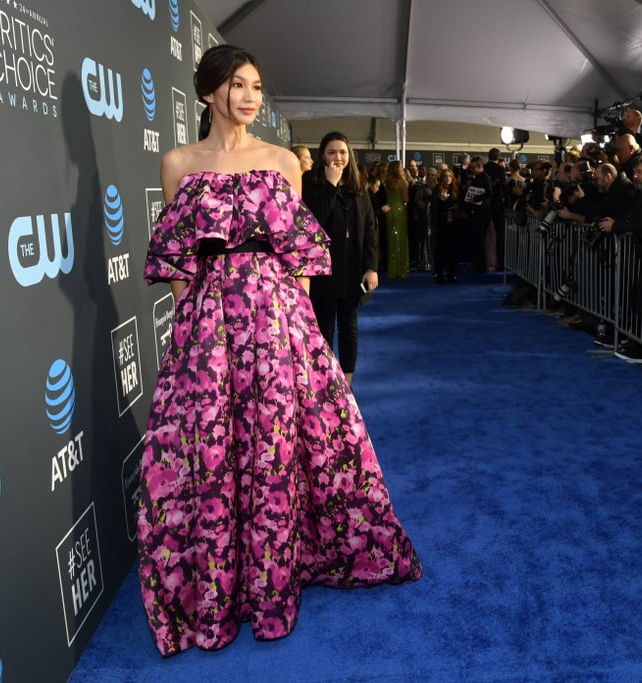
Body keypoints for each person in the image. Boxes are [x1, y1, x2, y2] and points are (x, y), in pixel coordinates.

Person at [138, 46, 420, 657]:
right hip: (209, 333)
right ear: (210, 91)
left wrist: (304, 338)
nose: (249, 96)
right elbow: (180, 269)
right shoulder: (178, 163)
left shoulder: (282, 164)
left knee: (273, 447)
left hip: (274, 326)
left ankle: (271, 583)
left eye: (257, 86)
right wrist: (198, 333)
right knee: (212, 449)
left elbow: (299, 263)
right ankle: (217, 586)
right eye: (237, 84)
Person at [303, 132, 381, 386]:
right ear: (322, 156)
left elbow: (370, 229)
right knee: (323, 328)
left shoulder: (358, 187)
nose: (338, 157)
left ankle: (347, 383)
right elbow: (313, 223)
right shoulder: (310, 183)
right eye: (332, 152)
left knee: (349, 327)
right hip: (322, 271)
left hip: (352, 269)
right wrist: (330, 185)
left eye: (343, 152)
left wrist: (371, 267)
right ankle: (324, 381)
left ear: (350, 156)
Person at [382, 161, 410, 278]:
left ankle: (392, 269)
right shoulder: (402, 182)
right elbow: (406, 199)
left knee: (392, 239)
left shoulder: (386, 183)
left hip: (389, 211)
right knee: (401, 239)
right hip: (400, 211)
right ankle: (402, 270)